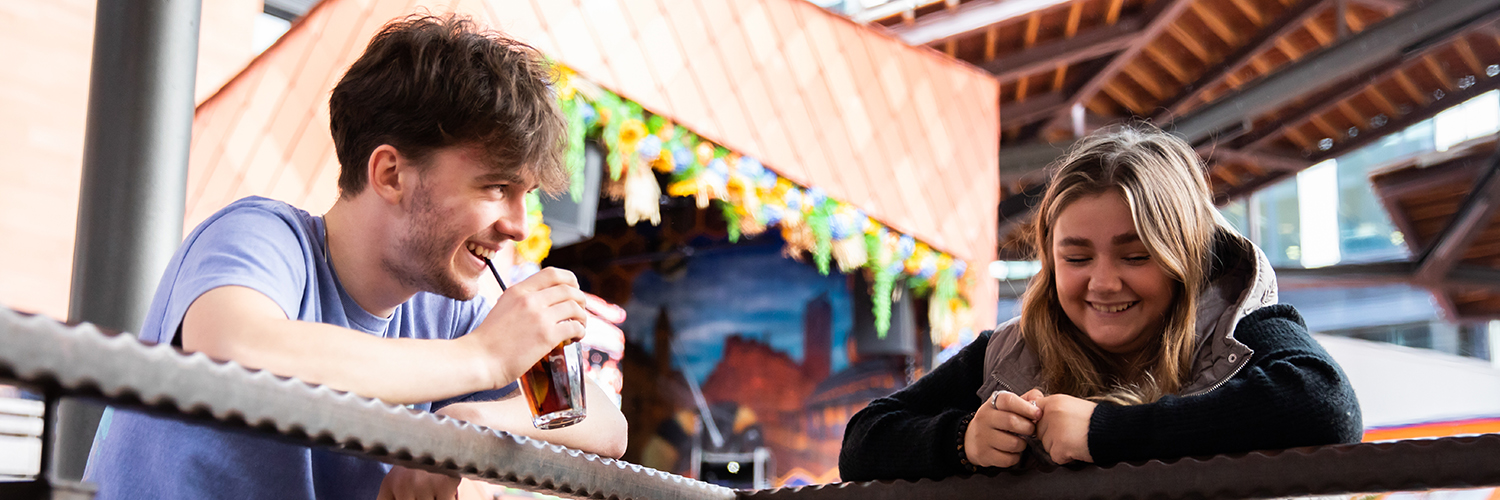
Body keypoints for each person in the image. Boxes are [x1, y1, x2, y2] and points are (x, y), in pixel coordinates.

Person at [83, 14, 627, 500]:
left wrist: (467, 427)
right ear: (390, 174)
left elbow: (602, 424)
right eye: (495, 188)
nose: (517, 225)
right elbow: (236, 348)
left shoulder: (448, 310)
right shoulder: (261, 235)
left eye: (525, 195)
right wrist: (483, 358)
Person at [838, 126, 1362, 482]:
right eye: (1076, 257)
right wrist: (962, 440)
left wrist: (1101, 432)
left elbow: (1326, 407)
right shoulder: (1010, 351)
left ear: (1184, 257)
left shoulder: (1242, 320)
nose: (1103, 283)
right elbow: (863, 442)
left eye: (1135, 256)